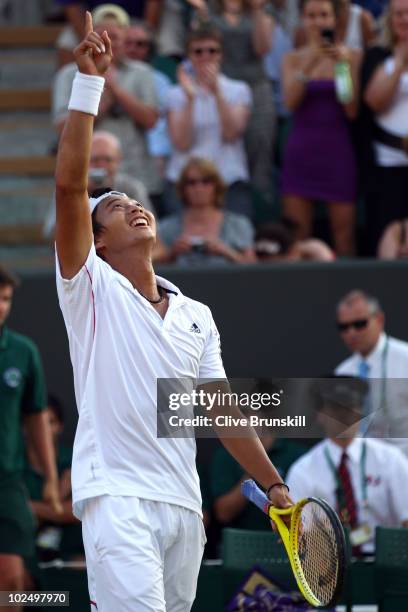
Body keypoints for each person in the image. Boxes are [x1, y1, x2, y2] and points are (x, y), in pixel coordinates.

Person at [54, 13, 293, 611]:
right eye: (116, 205)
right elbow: (68, 188)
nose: (134, 206)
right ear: (97, 241)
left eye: (138, 200)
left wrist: (275, 485)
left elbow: (222, 410)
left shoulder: (197, 314)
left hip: (184, 507)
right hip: (117, 500)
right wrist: (90, 85)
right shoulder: (88, 289)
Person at [286, 376, 408, 554]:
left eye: (351, 409)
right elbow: (297, 532)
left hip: (386, 560)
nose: (345, 417)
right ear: (320, 415)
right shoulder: (303, 470)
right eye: (336, 410)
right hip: (329, 563)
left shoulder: (390, 459)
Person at [0, 266, 61, 611]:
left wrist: (51, 479)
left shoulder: (23, 351)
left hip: (7, 481)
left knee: (11, 581)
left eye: (6, 299)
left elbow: (36, 416)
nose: (0, 306)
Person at [52, 5, 160, 197]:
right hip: (86, 178)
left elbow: (151, 120)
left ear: (125, 38)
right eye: (101, 35)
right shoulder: (68, 75)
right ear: (90, 36)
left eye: (114, 36)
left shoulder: (142, 72)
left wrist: (115, 88)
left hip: (136, 174)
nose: (107, 41)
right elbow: (63, 128)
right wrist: (100, 86)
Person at [281, 0, 361, 256]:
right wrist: (311, 60)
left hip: (337, 153)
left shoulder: (352, 56)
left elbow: (351, 109)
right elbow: (290, 102)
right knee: (297, 237)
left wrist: (342, 66)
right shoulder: (291, 59)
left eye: (324, 15)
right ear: (303, 19)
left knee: (344, 235)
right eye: (312, 15)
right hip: (302, 153)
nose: (318, 21)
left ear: (334, 19)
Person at [188, 0, 276, 205]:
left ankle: (260, 201)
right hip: (221, 87)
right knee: (221, 143)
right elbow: (198, 44)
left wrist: (257, 10)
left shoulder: (263, 9)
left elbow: (263, 48)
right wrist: (202, 15)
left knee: (260, 144)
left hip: (256, 87)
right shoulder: (207, 8)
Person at [165, 24, 253, 218]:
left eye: (212, 51)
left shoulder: (238, 90)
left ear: (221, 54)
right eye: (198, 52)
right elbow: (181, 142)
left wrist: (217, 93)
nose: (205, 56)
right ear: (189, 56)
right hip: (185, 181)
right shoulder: (175, 94)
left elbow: (231, 133)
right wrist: (190, 99)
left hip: (228, 179)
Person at [360, 0, 408, 253]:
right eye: (398, 14)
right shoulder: (377, 55)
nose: (404, 19)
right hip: (387, 161)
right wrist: (399, 61)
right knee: (387, 232)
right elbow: (373, 101)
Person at [335, 290, 408, 455]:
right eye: (344, 327)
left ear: (379, 320)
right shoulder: (343, 372)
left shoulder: (405, 359)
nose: (351, 332)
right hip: (365, 470)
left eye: (359, 324)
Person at [158, 157, 255, 265]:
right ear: (183, 188)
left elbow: (253, 269)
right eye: (191, 182)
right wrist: (172, 253)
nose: (199, 188)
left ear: (216, 186)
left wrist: (226, 252)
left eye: (206, 181)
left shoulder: (238, 224)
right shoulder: (166, 228)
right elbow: (152, 270)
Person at [24, 395, 83, 561]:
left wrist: (31, 507)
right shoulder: (13, 462)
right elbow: (15, 517)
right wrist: (56, 502)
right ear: (25, 426)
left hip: (70, 553)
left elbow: (80, 511)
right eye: (37, 423)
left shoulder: (74, 458)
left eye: (50, 422)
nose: (43, 429)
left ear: (60, 426)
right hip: (27, 554)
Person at [124, 21, 173, 186]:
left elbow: (161, 124)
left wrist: (159, 154)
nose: (133, 48)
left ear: (149, 49)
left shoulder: (160, 81)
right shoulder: (106, 75)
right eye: (127, 42)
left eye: (140, 44)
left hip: (152, 163)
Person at [254, 221, 335, 261]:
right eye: (262, 257)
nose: (266, 262)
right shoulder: (254, 260)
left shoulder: (306, 252)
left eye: (271, 258)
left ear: (291, 252)